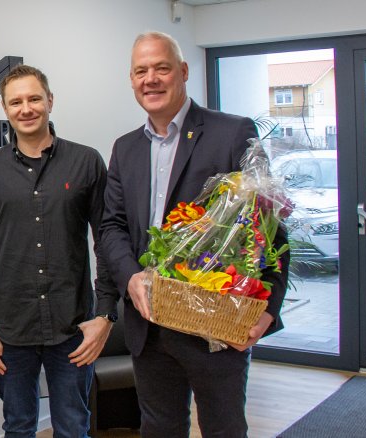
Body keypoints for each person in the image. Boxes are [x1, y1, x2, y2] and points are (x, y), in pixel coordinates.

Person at [99, 31, 290, 437]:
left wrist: (268, 308)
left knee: (223, 429)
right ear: (131, 80)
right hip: (148, 326)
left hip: (214, 326)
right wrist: (131, 276)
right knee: (159, 428)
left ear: (183, 72)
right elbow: (112, 226)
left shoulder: (232, 132)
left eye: (161, 68)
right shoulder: (125, 148)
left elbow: (269, 226)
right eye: (141, 71)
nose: (150, 79)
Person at [0, 64, 117, 438]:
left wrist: (106, 313)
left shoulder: (86, 161)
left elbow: (107, 238)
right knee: (18, 426)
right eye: (16, 102)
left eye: (34, 99)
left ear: (50, 101)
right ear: (4, 108)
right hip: (8, 328)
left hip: (73, 324)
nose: (26, 108)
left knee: (74, 425)